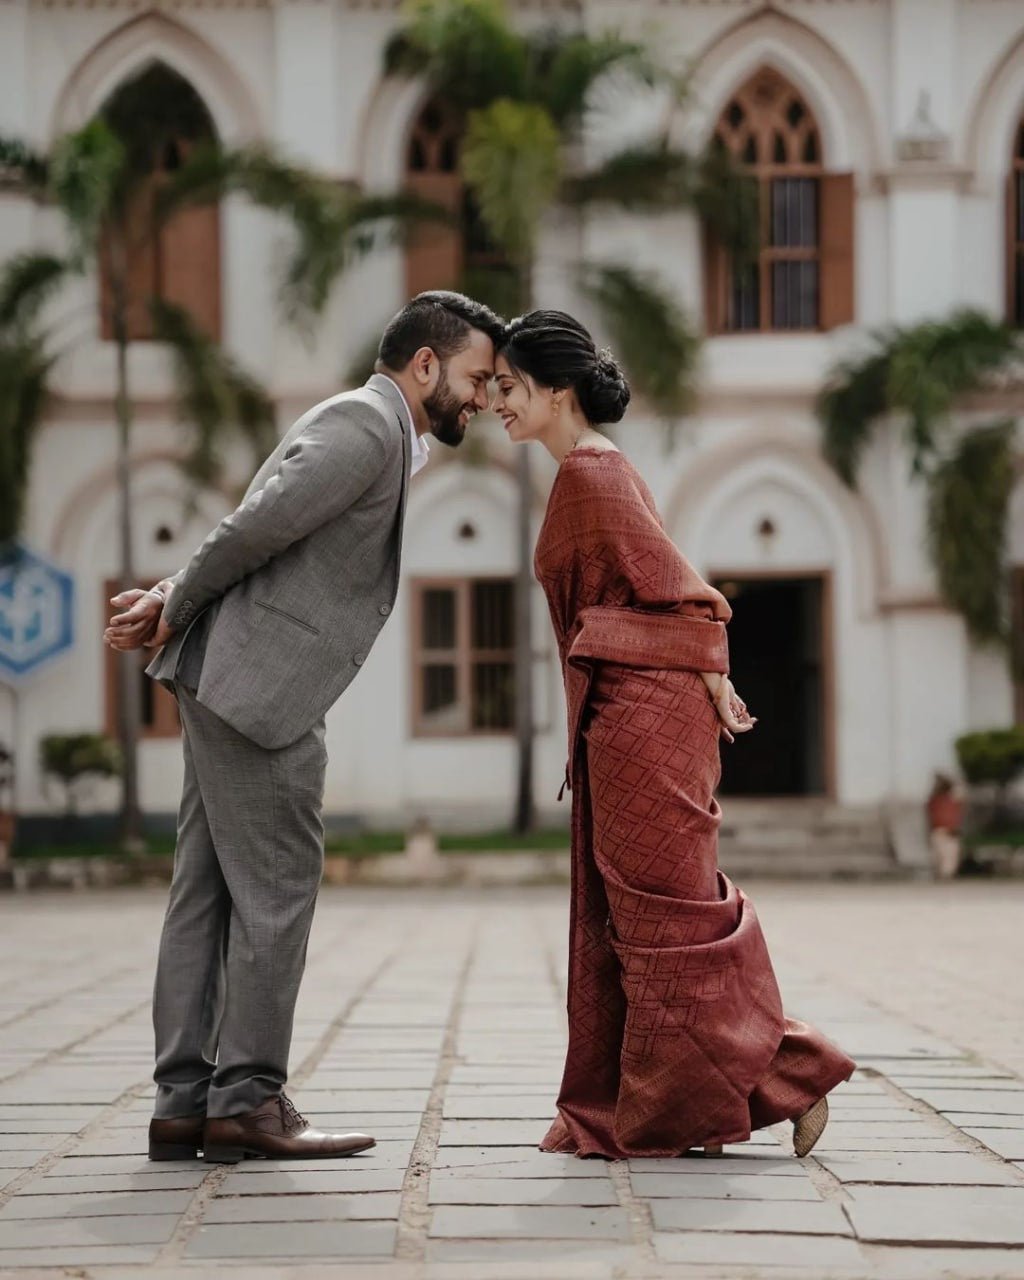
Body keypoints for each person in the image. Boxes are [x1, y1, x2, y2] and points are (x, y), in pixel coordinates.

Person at [103, 291, 503, 1164]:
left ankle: (183, 1102)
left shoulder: (377, 432)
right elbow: (255, 528)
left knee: (204, 893)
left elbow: (263, 530)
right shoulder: (366, 426)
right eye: (474, 378)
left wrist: (178, 600)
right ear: (424, 364)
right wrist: (176, 600)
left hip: (236, 682)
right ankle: (244, 1098)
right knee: (277, 891)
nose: (480, 398)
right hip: (259, 693)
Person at [492, 310, 855, 1160]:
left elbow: (680, 595)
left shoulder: (591, 473)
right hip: (627, 711)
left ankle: (795, 1069)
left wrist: (713, 679)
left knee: (664, 918)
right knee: (648, 919)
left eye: (508, 388)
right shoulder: (587, 471)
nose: (495, 404)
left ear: (556, 390)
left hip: (639, 718)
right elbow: (659, 591)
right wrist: (710, 681)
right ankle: (694, 1104)